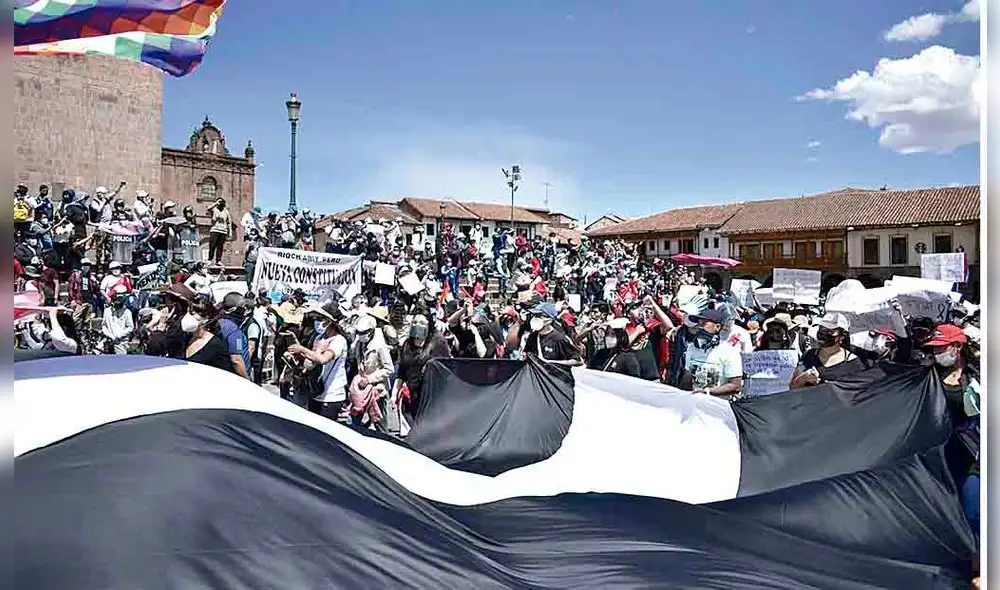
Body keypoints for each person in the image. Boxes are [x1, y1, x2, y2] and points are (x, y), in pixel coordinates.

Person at [287, 302, 349, 419]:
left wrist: (302, 349)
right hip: (315, 391)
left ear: (329, 321)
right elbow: (312, 361)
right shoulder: (319, 338)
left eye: (320, 318)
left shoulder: (339, 340)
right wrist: (298, 355)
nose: (317, 321)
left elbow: (323, 359)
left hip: (331, 395)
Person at [393, 315, 451, 424]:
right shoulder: (407, 344)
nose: (417, 325)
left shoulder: (438, 343)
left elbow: (445, 368)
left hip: (432, 395)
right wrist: (395, 392)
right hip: (412, 393)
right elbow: (402, 370)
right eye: (415, 322)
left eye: (422, 323)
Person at [789, 312, 861, 389]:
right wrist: (802, 379)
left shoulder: (853, 363)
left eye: (830, 331)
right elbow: (792, 387)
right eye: (822, 329)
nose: (824, 334)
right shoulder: (809, 355)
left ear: (842, 336)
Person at [682, 308, 743, 398]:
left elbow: (736, 386)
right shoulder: (692, 348)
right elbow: (687, 377)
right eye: (698, 324)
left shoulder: (729, 351)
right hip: (694, 404)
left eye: (704, 324)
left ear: (717, 327)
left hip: (716, 407)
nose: (699, 327)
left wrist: (707, 392)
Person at [348, 314, 395, 431]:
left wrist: (369, 379)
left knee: (380, 422)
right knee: (356, 419)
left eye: (363, 332)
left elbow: (389, 369)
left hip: (377, 390)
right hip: (361, 389)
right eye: (359, 333)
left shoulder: (380, 346)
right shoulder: (359, 344)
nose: (361, 335)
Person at [183, 294, 236, 373]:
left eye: (193, 313)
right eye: (189, 312)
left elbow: (228, 370)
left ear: (205, 319)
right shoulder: (186, 337)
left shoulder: (216, 345)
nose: (189, 316)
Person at [523, 302, 583, 367]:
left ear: (549, 320)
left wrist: (554, 364)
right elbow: (527, 353)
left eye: (540, 316)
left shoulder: (559, 339)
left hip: (554, 376)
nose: (535, 318)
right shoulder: (532, 337)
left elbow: (578, 361)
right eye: (535, 315)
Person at [217, 292, 251, 380]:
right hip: (235, 377)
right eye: (243, 307)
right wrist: (247, 379)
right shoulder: (234, 331)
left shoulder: (218, 322)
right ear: (234, 309)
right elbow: (236, 359)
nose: (245, 310)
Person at [101, 285, 135, 355]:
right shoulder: (107, 311)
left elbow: (130, 327)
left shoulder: (127, 312)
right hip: (109, 340)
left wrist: (119, 336)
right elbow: (104, 325)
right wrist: (110, 335)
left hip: (121, 342)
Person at [208, 197, 232, 265]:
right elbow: (208, 208)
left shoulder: (226, 212)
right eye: (219, 202)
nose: (220, 204)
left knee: (220, 246)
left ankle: (218, 260)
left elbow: (229, 222)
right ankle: (210, 259)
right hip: (214, 229)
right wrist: (216, 203)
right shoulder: (214, 209)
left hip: (223, 231)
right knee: (212, 245)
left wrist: (229, 232)